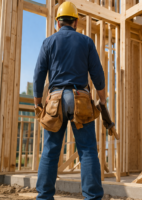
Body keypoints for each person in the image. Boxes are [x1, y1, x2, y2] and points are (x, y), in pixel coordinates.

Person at [33, 2, 108, 199]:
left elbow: (39, 75)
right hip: (80, 99)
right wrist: (102, 100)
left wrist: (37, 104)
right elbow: (98, 75)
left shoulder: (48, 42)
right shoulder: (86, 42)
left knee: (50, 151)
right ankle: (92, 197)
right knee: (87, 150)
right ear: (75, 22)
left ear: (58, 23)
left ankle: (43, 197)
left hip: (55, 100)